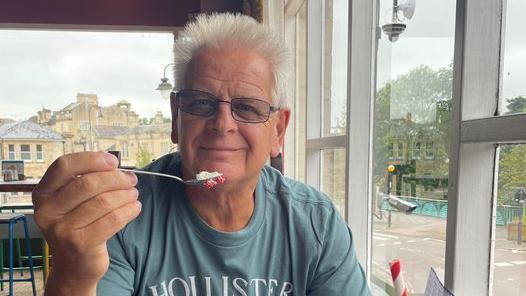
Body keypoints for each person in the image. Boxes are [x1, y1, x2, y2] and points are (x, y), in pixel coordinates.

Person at [32, 13, 370, 295]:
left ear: (278, 131)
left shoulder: (315, 223)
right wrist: (75, 272)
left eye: (247, 108)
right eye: (201, 103)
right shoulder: (121, 216)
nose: (222, 124)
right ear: (177, 119)